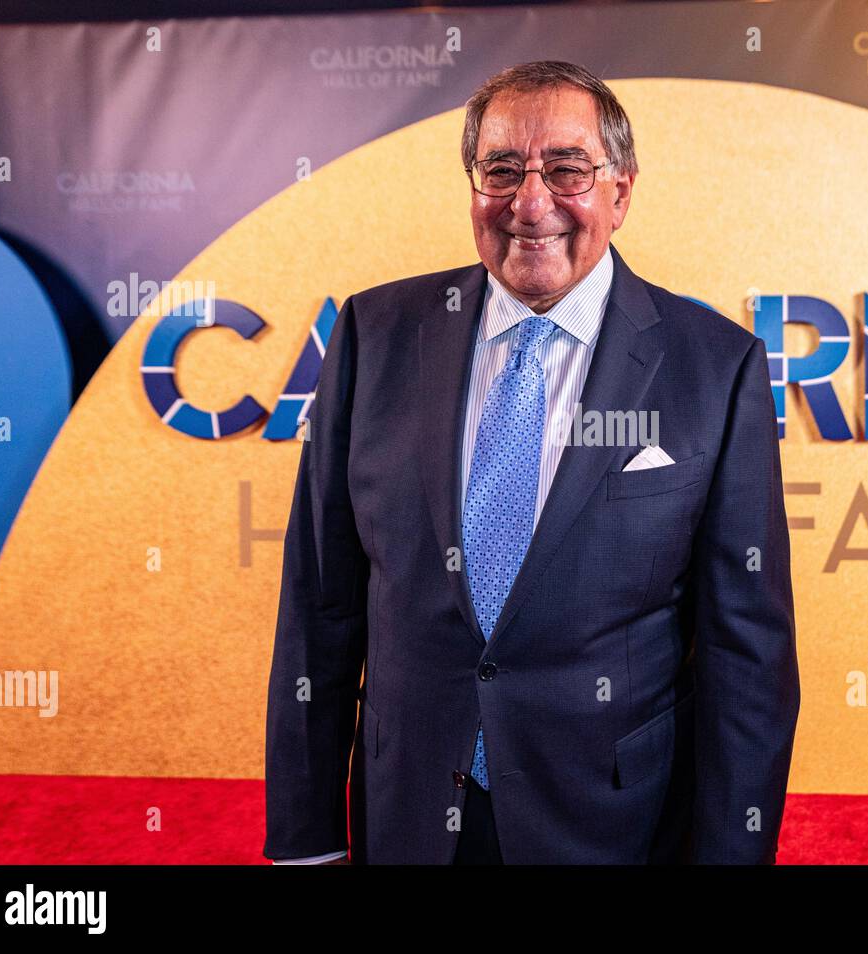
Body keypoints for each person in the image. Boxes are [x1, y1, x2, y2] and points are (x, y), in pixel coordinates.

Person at [264, 60, 799, 865]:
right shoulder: (374, 335)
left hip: (613, 826)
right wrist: (305, 840)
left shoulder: (714, 368)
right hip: (406, 816)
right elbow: (320, 606)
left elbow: (745, 656)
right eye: (501, 170)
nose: (531, 201)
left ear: (620, 192)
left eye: (567, 168)